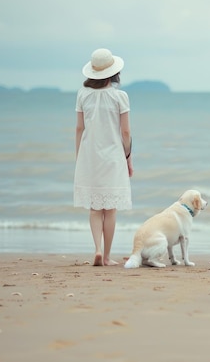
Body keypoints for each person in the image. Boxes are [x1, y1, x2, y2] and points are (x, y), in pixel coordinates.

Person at [74, 48, 134, 266]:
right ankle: (107, 256)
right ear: (114, 73)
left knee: (94, 207)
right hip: (113, 157)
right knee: (110, 209)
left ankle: (97, 249)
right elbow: (125, 133)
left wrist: (79, 157)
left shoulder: (82, 94)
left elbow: (79, 128)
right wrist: (128, 158)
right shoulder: (120, 96)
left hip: (89, 156)